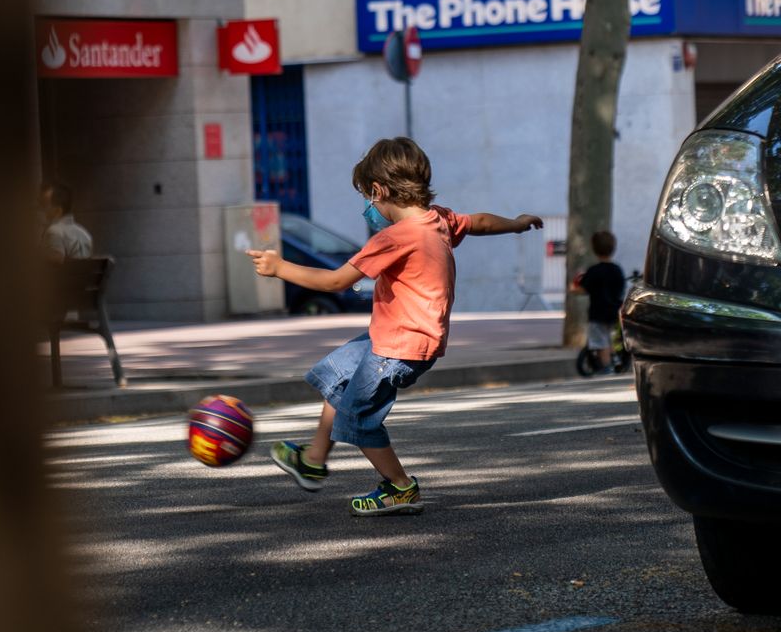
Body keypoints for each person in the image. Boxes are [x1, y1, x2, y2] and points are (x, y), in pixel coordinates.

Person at [247, 137, 542, 516]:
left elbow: (336, 282)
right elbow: (480, 222)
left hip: (398, 348)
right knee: (338, 375)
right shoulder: (437, 220)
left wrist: (279, 268)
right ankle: (314, 460)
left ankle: (400, 488)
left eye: (368, 200)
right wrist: (515, 224)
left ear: (378, 190)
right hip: (389, 339)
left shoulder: (395, 237)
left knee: (357, 416)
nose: (369, 209)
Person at [570, 230, 626, 371]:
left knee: (601, 342)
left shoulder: (594, 271)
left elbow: (583, 289)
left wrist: (572, 288)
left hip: (598, 313)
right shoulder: (617, 270)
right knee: (612, 339)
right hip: (615, 312)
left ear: (594, 249)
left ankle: (606, 368)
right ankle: (616, 360)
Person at [39, 180, 93, 262]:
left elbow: (55, 264)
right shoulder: (85, 234)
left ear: (58, 210)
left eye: (45, 205)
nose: (42, 209)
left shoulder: (54, 232)